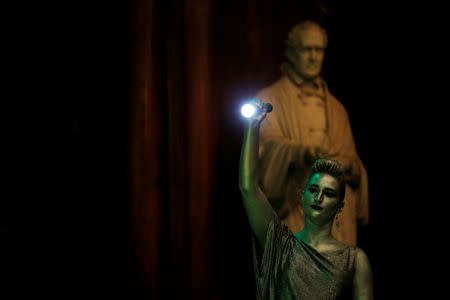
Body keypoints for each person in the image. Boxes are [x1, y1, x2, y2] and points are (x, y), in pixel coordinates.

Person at [239, 101, 373, 299]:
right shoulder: (280, 245)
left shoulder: (354, 261)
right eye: (313, 189)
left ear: (340, 206)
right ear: (302, 195)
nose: (318, 197)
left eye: (328, 193)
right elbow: (248, 188)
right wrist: (253, 125)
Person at [255, 20, 368, 245]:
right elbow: (261, 157)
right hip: (296, 216)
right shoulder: (268, 101)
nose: (314, 57)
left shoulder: (336, 109)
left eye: (319, 50)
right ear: (291, 52)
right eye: (307, 49)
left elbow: (352, 162)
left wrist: (353, 168)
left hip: (336, 226)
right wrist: (300, 153)